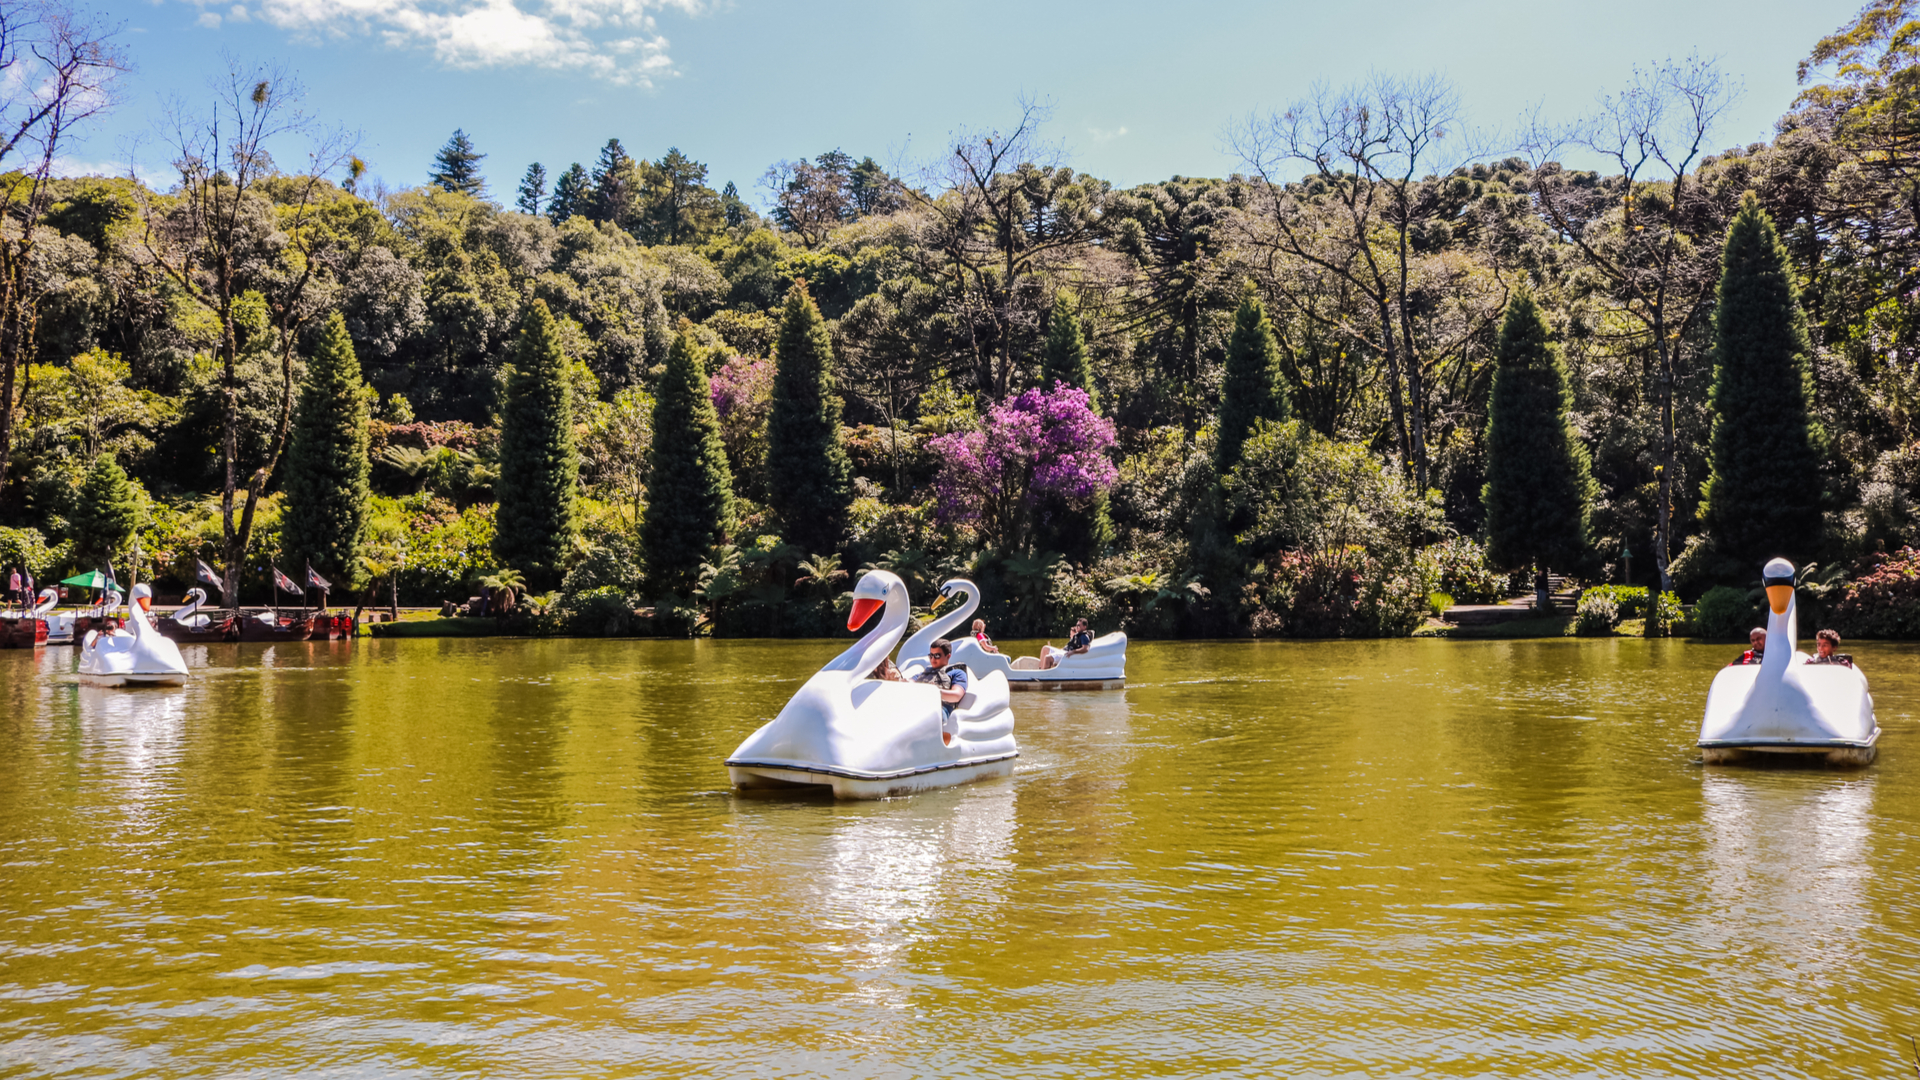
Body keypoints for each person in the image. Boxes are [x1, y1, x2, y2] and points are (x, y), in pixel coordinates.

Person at [912, 638, 969, 743]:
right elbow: (910, 682)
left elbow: (956, 695)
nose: (933, 659)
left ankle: (928, 742)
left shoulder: (956, 673)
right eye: (931, 655)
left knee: (926, 714)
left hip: (940, 709)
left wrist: (934, 691)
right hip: (918, 704)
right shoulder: (924, 673)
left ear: (948, 656)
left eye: (937, 655)